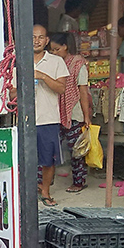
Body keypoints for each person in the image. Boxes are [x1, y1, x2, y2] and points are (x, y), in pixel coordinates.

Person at [32, 24, 70, 207]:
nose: (36, 41)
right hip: (24, 120)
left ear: (46, 40)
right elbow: (11, 93)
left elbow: (62, 88)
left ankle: (45, 192)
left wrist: (43, 77)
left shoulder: (56, 62)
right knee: (24, 160)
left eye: (40, 37)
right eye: (33, 37)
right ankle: (27, 191)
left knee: (48, 160)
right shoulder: (18, 62)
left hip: (48, 119)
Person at [50, 33, 92, 194]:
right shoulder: (54, 64)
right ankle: (47, 180)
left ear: (66, 47)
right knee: (51, 148)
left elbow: (83, 91)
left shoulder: (78, 64)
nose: (54, 53)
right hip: (55, 111)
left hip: (74, 112)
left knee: (76, 150)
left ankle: (79, 182)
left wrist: (86, 116)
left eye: (56, 49)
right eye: (52, 50)